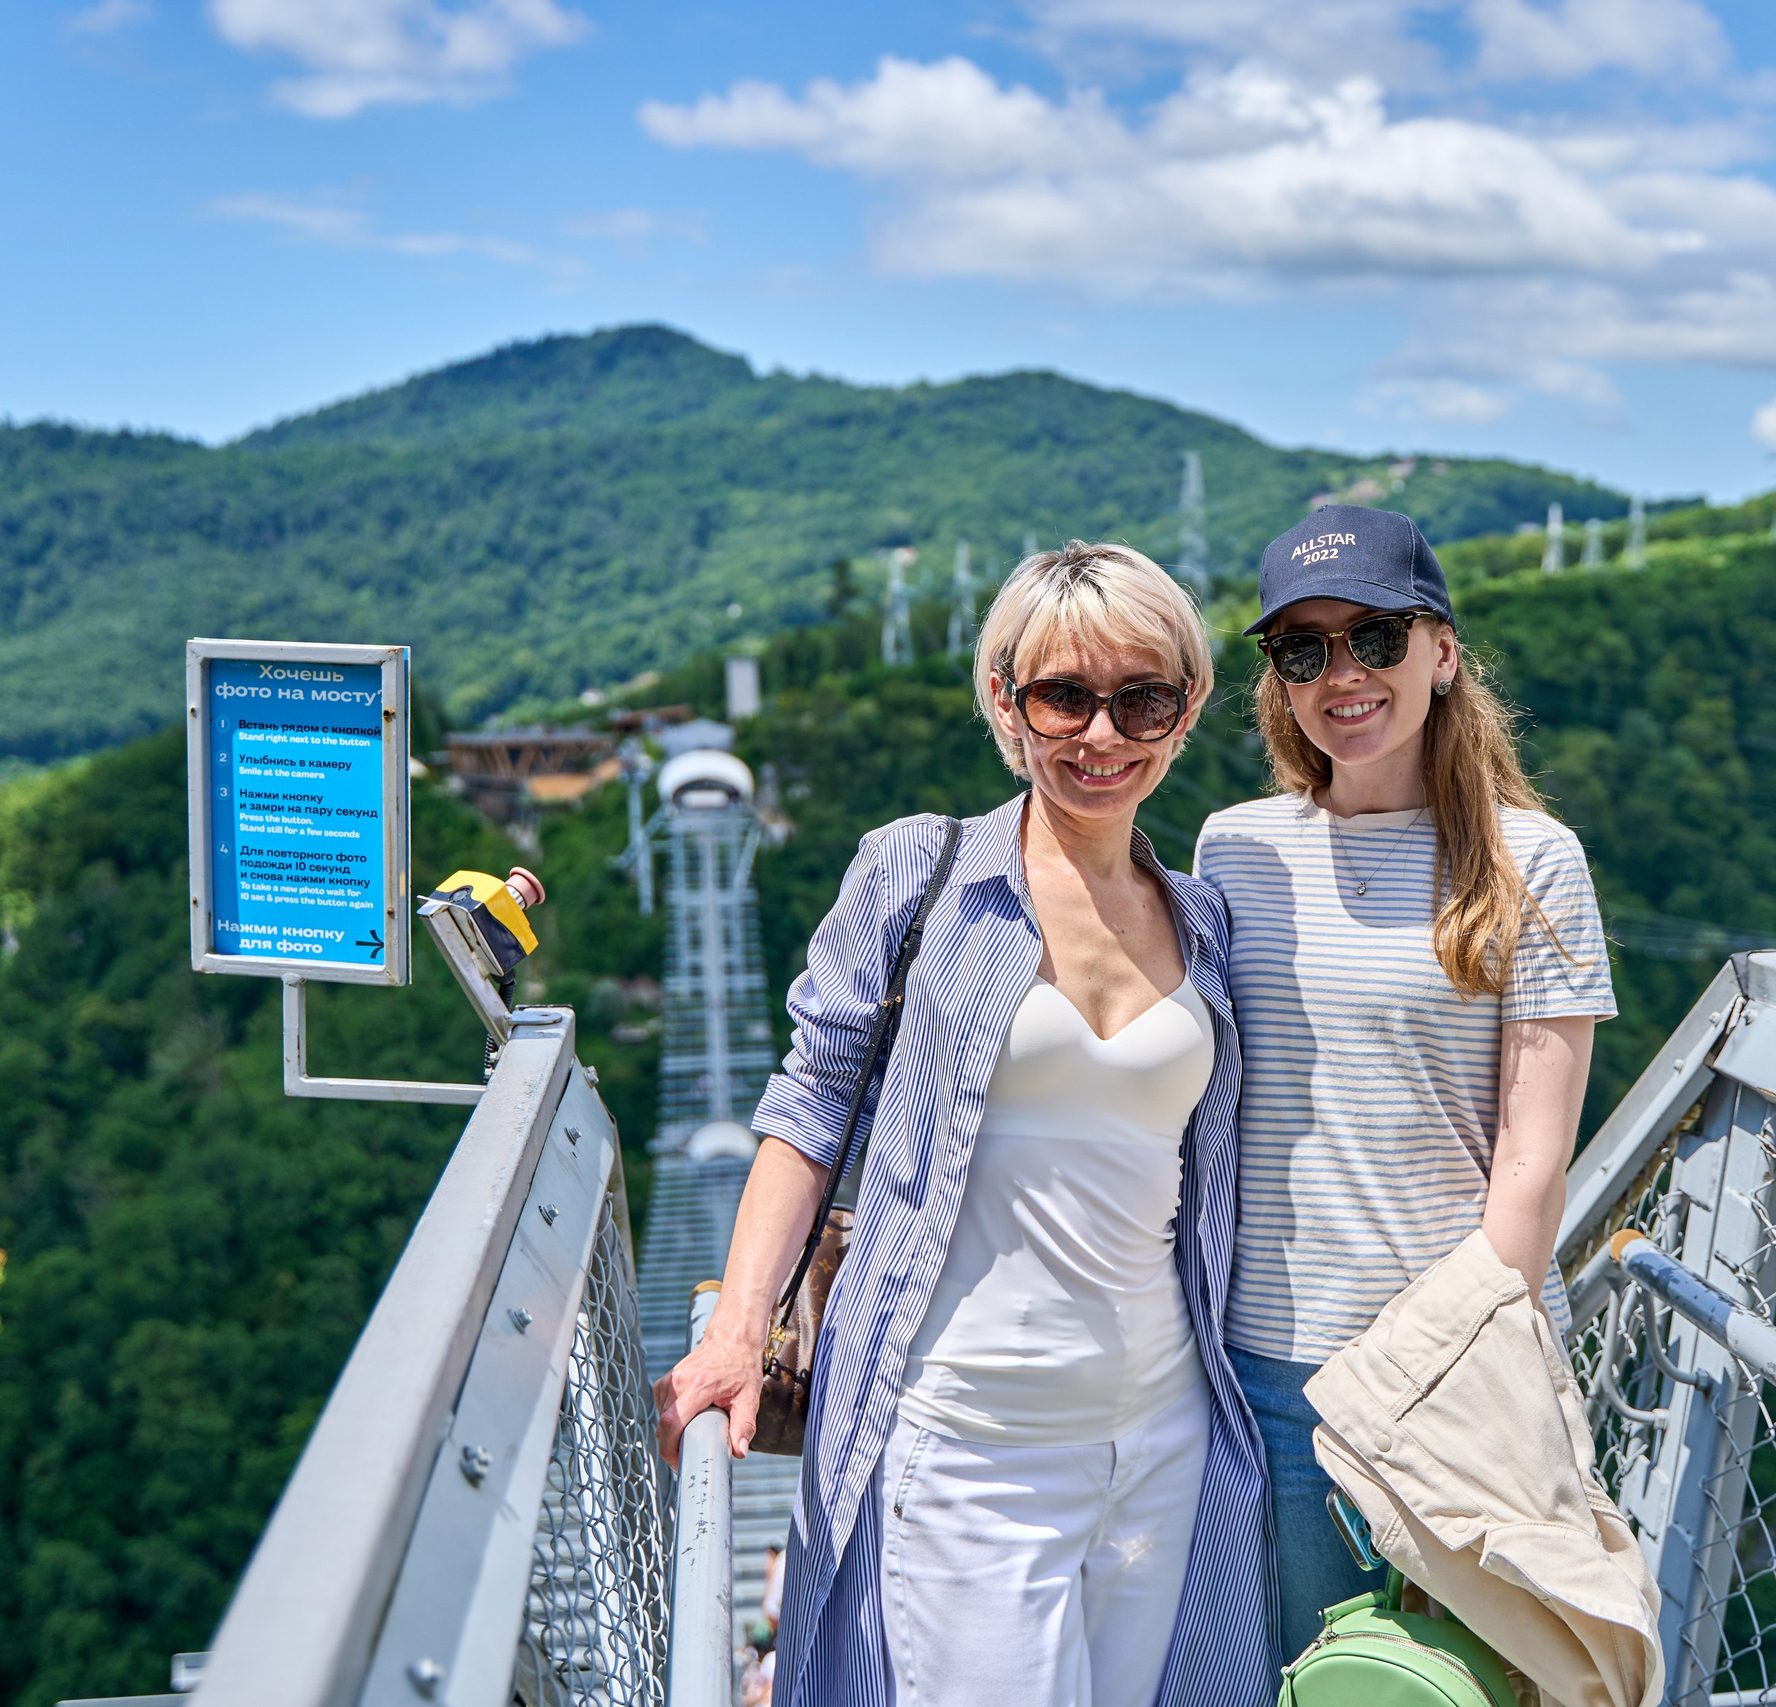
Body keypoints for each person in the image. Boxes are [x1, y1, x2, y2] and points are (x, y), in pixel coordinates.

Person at [654, 542, 1269, 1707]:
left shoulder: (1204, 920)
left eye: (1141, 697)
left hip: (1162, 1431)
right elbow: (810, 1103)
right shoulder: (917, 875)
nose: (1101, 735)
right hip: (968, 1435)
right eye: (1062, 697)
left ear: (1186, 709)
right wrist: (736, 1332)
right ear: (1005, 699)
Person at [1194, 504, 1618, 1680]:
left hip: (1431, 1378)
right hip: (1256, 1371)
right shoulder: (1232, 850)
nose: (1344, 675)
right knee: (1304, 1681)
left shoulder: (1532, 862)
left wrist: (1452, 1378)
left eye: (1375, 637)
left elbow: (1532, 1161)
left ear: (1441, 651)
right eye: (1303, 649)